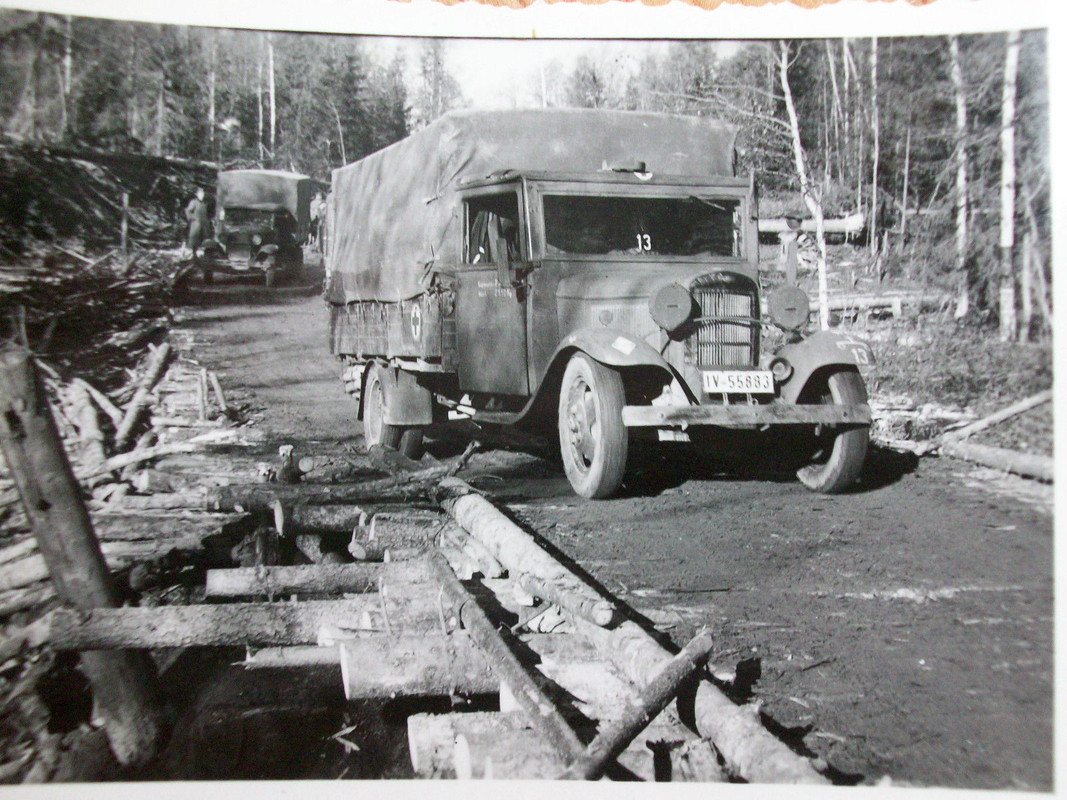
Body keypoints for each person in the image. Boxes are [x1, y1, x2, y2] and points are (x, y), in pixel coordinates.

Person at [185, 187, 210, 263]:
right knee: (194, 239)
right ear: (197, 195)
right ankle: (194, 254)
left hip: (203, 224)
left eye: (203, 194)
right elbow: (188, 211)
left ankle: (205, 256)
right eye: (200, 194)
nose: (202, 195)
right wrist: (192, 218)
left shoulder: (204, 204)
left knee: (205, 239)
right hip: (196, 224)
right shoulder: (194, 202)